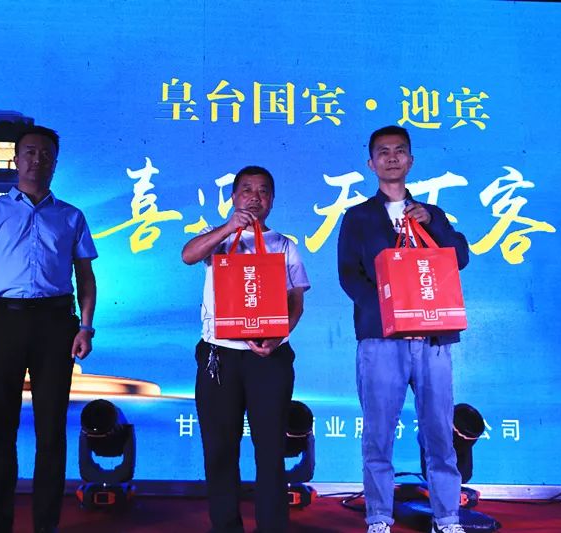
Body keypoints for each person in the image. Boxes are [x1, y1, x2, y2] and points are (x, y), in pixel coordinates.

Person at [0, 125, 98, 533]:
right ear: (16, 159)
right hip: (4, 321)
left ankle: (46, 525)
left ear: (55, 163)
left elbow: (85, 277)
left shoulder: (71, 215)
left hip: (56, 324)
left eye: (45, 154)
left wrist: (86, 327)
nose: (37, 160)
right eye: (30, 152)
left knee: (51, 430)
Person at [337, 126, 469, 533]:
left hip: (432, 339)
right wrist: (392, 312)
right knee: (378, 434)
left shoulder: (432, 214)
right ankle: (379, 516)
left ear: (410, 161)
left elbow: (459, 257)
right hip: (381, 338)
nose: (391, 157)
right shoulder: (358, 217)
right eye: (383, 152)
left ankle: (447, 517)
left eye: (399, 151)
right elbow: (349, 276)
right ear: (371, 163)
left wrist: (434, 225)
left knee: (439, 433)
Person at [182, 165, 310, 533]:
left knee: (270, 449)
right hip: (219, 355)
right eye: (247, 190)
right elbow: (188, 255)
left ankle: (272, 527)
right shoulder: (217, 239)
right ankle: (226, 526)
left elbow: (296, 302)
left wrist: (277, 337)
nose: (255, 197)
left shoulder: (284, 244)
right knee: (220, 448)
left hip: (269, 358)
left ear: (272, 200)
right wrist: (228, 228)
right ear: (234, 197)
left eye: (263, 191)